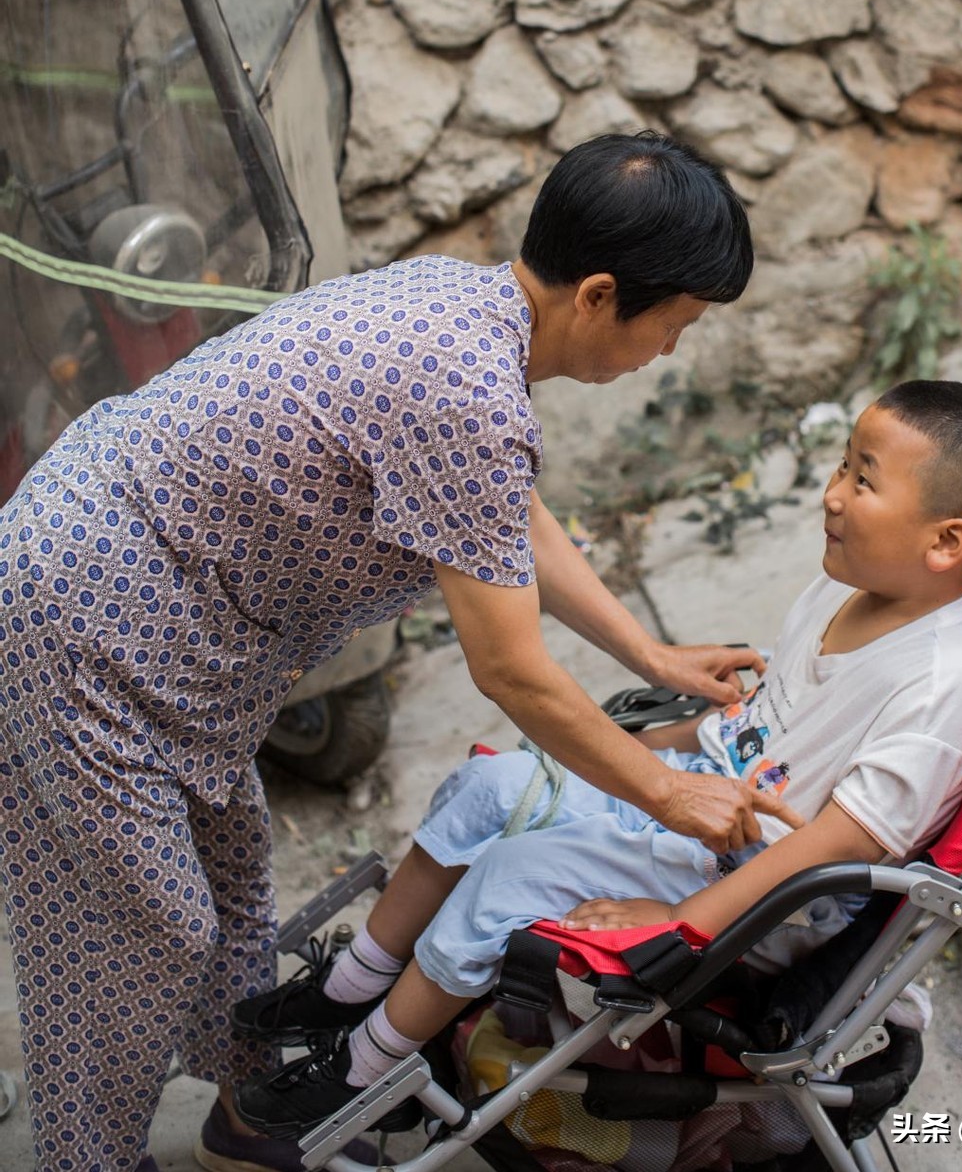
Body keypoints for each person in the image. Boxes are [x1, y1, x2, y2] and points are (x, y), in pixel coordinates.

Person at [0, 132, 778, 1172]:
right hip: (91, 614)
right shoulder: (467, 391)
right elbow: (510, 673)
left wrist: (651, 656)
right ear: (598, 295)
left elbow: (508, 514)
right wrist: (664, 794)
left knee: (233, 892)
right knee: (145, 932)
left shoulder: (464, 308)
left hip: (174, 628)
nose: (668, 352)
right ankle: (88, 1161)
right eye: (672, 326)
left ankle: (255, 1111)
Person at [231, 380, 962, 1140]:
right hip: (702, 804)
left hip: (752, 893)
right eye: (842, 465)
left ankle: (366, 1073)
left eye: (863, 479)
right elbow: (745, 729)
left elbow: (829, 854)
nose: (832, 492)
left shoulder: (939, 692)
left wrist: (682, 928)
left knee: (507, 877)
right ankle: (354, 989)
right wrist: (624, 764)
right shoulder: (850, 584)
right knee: (486, 789)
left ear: (947, 541)